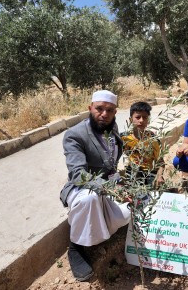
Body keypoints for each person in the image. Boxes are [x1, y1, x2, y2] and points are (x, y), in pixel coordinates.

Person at [60, 90, 130, 281]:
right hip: (80, 189)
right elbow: (78, 175)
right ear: (90, 108)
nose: (104, 114)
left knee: (131, 211)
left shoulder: (113, 130)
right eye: (99, 109)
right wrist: (111, 188)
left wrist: (120, 183)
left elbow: (111, 167)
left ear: (115, 112)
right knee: (90, 199)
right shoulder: (75, 135)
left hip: (108, 186)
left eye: (110, 110)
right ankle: (76, 247)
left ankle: (100, 231)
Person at [121, 101, 165, 189]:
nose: (141, 120)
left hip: (149, 173)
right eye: (138, 117)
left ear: (148, 120)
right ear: (130, 120)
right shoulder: (124, 138)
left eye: (145, 117)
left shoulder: (153, 139)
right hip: (132, 172)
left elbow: (160, 162)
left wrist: (159, 177)